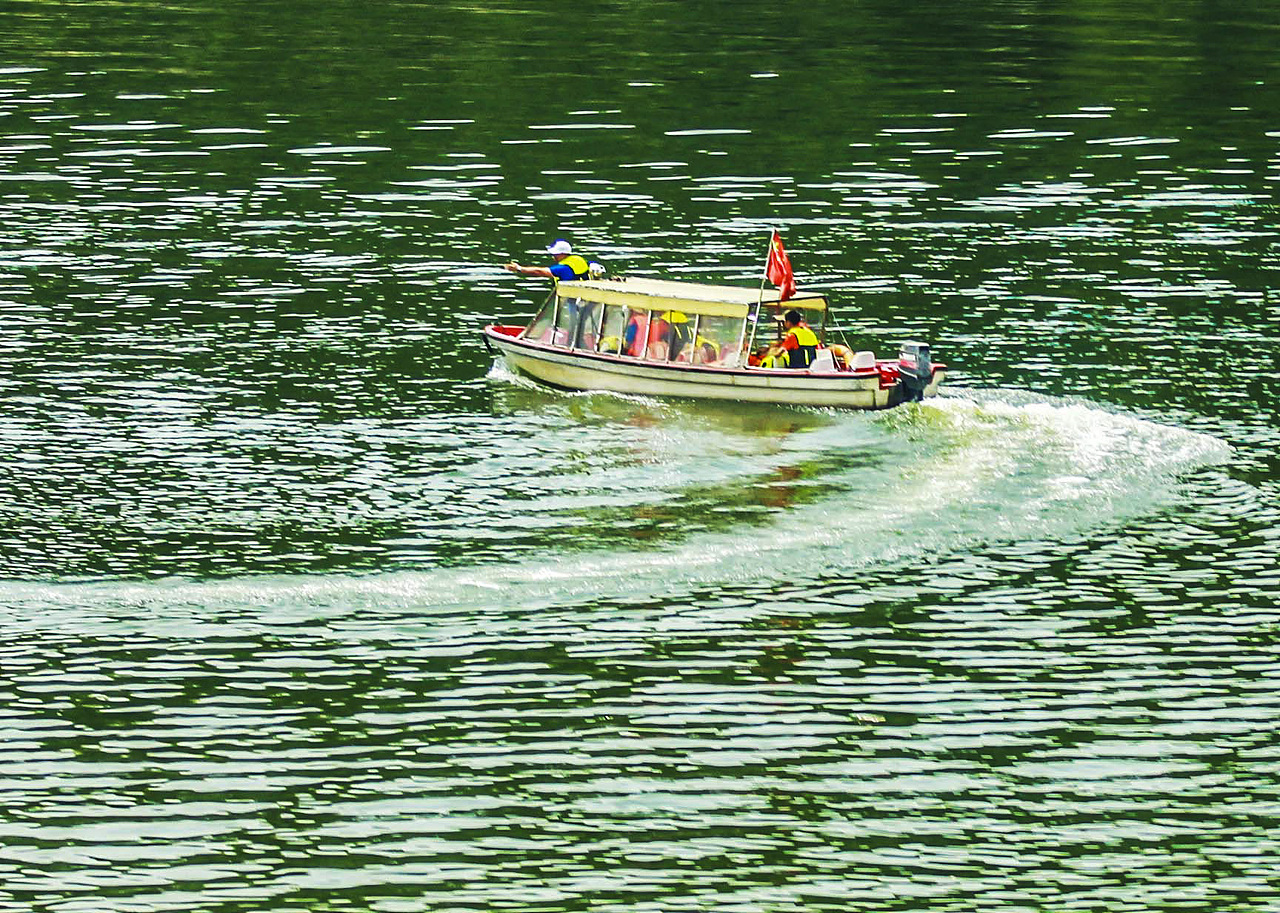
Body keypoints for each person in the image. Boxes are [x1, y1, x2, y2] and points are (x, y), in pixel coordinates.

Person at [505, 239, 591, 282]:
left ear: (562, 254)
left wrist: (519, 268)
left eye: (555, 254)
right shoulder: (580, 260)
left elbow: (539, 271)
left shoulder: (562, 268)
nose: (553, 256)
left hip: (571, 297)